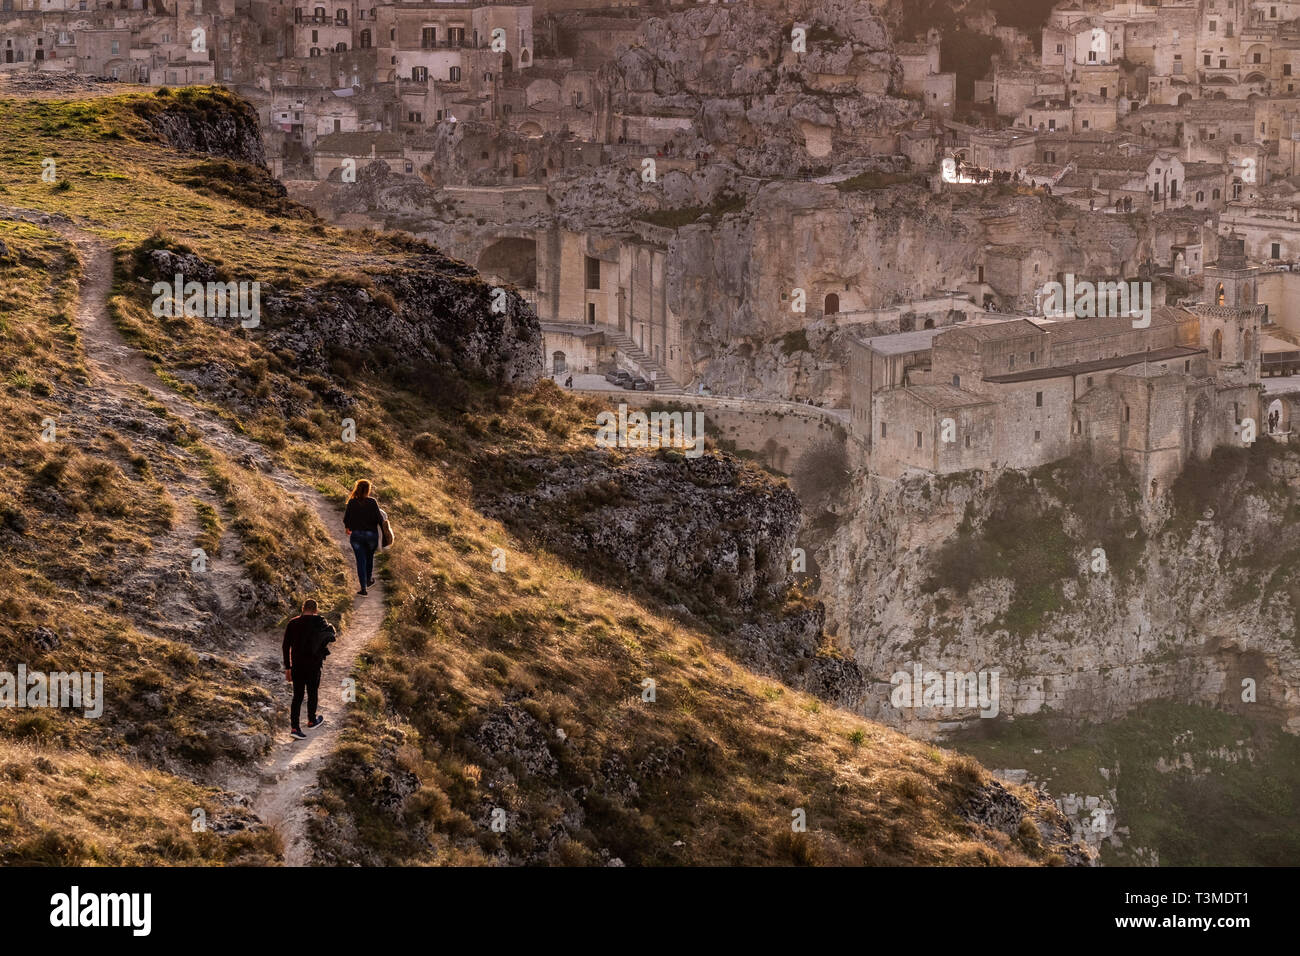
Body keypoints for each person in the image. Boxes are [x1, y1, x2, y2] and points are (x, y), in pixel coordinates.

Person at [282, 599, 336, 740]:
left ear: (303, 608)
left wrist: (288, 667)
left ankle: (295, 728)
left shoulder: (292, 623)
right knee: (312, 693)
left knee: (297, 697)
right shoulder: (319, 622)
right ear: (315, 610)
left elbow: (285, 646)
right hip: (313, 665)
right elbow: (331, 634)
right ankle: (312, 720)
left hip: (297, 666)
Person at [344, 478, 382, 595]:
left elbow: (346, 519)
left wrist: (348, 528)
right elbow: (379, 519)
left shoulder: (352, 502)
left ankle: (363, 589)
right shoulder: (372, 502)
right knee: (369, 558)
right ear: (368, 490)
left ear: (357, 488)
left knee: (360, 561)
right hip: (371, 536)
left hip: (356, 535)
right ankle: (368, 580)